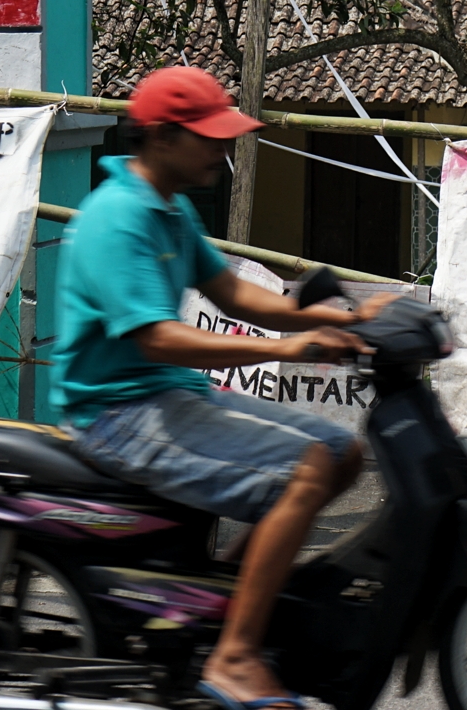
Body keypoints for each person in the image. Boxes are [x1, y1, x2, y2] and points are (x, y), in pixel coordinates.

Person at [55, 66, 389, 710]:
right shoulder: (119, 218)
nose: (223, 148)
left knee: (342, 453)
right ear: (160, 137)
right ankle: (233, 656)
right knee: (308, 468)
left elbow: (232, 292)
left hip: (168, 394)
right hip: (117, 411)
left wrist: (341, 317)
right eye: (209, 136)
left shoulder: (169, 209)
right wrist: (286, 347)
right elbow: (158, 338)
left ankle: (219, 606)